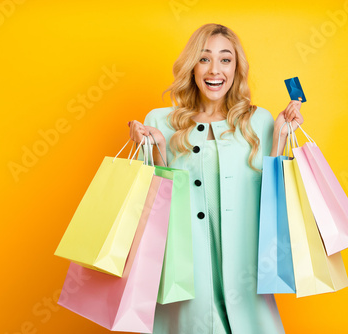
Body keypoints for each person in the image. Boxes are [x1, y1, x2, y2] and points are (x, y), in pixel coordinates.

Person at [129, 23, 303, 334]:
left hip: (244, 273)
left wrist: (280, 135)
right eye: (204, 58)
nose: (215, 70)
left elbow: (272, 199)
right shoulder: (160, 121)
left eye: (225, 59)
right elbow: (154, 204)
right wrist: (151, 147)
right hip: (186, 273)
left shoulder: (258, 121)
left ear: (236, 68)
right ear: (192, 66)